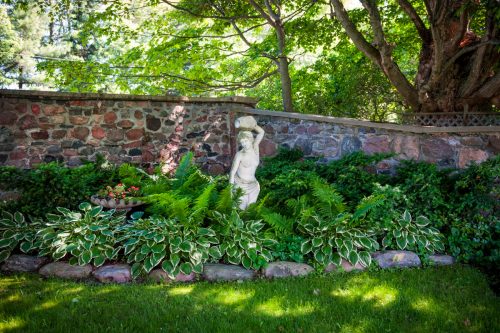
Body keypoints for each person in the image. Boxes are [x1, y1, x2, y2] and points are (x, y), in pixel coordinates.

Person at [229, 117, 264, 210]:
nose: (244, 144)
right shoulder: (239, 154)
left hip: (254, 186)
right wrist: (230, 190)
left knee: (250, 211)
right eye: (242, 142)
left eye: (245, 141)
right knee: (241, 211)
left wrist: (253, 125)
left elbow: (261, 132)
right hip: (240, 186)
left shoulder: (255, 148)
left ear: (251, 139)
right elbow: (232, 172)